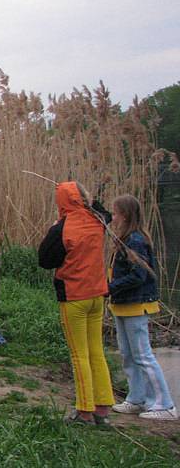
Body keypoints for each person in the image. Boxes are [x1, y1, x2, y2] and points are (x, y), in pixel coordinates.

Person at [38, 181, 114, 425]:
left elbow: (45, 260)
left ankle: (84, 411)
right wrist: (86, 200)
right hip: (97, 294)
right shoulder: (98, 221)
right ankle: (102, 408)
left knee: (79, 355)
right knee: (96, 352)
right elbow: (105, 212)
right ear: (84, 198)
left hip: (74, 296)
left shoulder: (61, 228)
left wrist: (54, 228)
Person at [108, 194, 177, 421]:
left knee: (143, 356)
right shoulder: (126, 239)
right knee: (128, 355)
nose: (113, 217)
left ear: (125, 215)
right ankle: (136, 398)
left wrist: (110, 287)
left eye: (116, 213)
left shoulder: (136, 241)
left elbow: (139, 275)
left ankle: (165, 404)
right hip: (123, 305)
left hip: (136, 305)